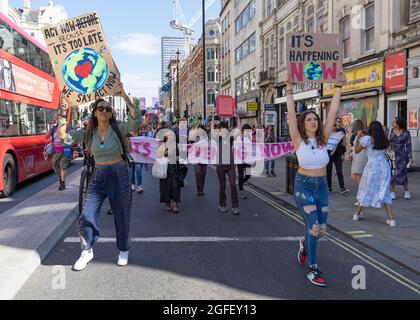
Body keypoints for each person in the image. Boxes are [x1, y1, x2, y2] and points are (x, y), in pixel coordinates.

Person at [57, 89, 141, 271]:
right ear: (95, 112)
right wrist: (63, 112)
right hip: (100, 174)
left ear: (111, 114)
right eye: (100, 108)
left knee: (122, 214)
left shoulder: (119, 128)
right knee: (86, 213)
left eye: (107, 109)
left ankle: (123, 249)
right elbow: (64, 137)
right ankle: (87, 250)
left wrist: (125, 96)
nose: (104, 111)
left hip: (120, 173)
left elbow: (137, 121)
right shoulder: (88, 133)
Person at [286, 72, 346, 287]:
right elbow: (292, 115)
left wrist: (338, 87)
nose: (313, 121)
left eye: (315, 119)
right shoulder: (298, 140)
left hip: (321, 187)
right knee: (314, 227)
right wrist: (289, 88)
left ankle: (304, 243)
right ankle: (313, 268)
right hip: (303, 185)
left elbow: (332, 113)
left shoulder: (323, 139)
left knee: (320, 229)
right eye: (309, 119)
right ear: (304, 124)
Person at [353, 121, 396, 227]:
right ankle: (391, 219)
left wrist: (358, 138)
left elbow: (357, 151)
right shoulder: (384, 139)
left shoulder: (367, 139)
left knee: (365, 188)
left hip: (372, 166)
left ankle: (356, 214)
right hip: (383, 166)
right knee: (384, 190)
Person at [211, 114, 241, 215]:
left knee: (233, 185)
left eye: (225, 129)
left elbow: (239, 129)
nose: (223, 131)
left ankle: (235, 206)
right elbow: (212, 130)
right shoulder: (217, 139)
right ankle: (222, 205)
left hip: (230, 165)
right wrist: (212, 117)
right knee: (222, 186)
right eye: (221, 129)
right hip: (220, 166)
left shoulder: (231, 138)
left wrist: (237, 116)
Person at [157, 129, 182, 213]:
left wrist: (178, 158)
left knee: (175, 186)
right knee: (166, 186)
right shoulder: (162, 145)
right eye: (168, 135)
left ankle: (175, 204)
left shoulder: (177, 145)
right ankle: (167, 203)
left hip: (175, 168)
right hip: (165, 168)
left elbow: (182, 156)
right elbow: (159, 155)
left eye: (172, 135)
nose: (170, 137)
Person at [389, 118, 413, 200]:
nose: (393, 123)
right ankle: (392, 192)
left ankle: (406, 191)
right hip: (392, 155)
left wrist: (410, 157)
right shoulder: (391, 131)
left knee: (403, 173)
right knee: (392, 173)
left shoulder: (406, 133)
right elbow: (388, 143)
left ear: (399, 123)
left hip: (402, 156)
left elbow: (409, 145)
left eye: (394, 122)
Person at [47, 112, 71, 191]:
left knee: (63, 166)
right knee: (55, 166)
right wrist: (50, 127)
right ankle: (61, 178)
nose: (59, 120)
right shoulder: (54, 128)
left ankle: (62, 183)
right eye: (58, 119)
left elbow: (71, 135)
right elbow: (47, 136)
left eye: (61, 118)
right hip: (56, 151)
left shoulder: (66, 127)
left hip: (65, 150)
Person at [327, 117, 349, 194]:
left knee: (339, 171)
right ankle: (329, 187)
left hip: (338, 153)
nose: (334, 126)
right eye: (333, 124)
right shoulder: (327, 133)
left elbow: (344, 142)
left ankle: (342, 188)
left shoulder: (341, 132)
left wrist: (344, 152)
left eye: (334, 125)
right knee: (328, 170)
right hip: (329, 153)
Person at [350, 120, 368, 206]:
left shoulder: (360, 135)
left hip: (360, 158)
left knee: (360, 180)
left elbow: (358, 147)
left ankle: (361, 199)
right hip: (358, 157)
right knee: (358, 179)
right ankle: (362, 198)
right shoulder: (359, 134)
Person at [189, 123, 209, 197]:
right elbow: (190, 143)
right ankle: (198, 189)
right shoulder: (193, 137)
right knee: (198, 173)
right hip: (196, 158)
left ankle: (201, 189)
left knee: (203, 174)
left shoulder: (206, 138)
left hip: (204, 158)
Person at [237, 124, 253, 199]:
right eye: (248, 131)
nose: (249, 132)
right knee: (241, 175)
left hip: (247, 159)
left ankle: (241, 184)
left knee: (248, 175)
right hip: (240, 160)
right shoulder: (239, 138)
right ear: (244, 131)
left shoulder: (249, 138)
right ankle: (241, 191)